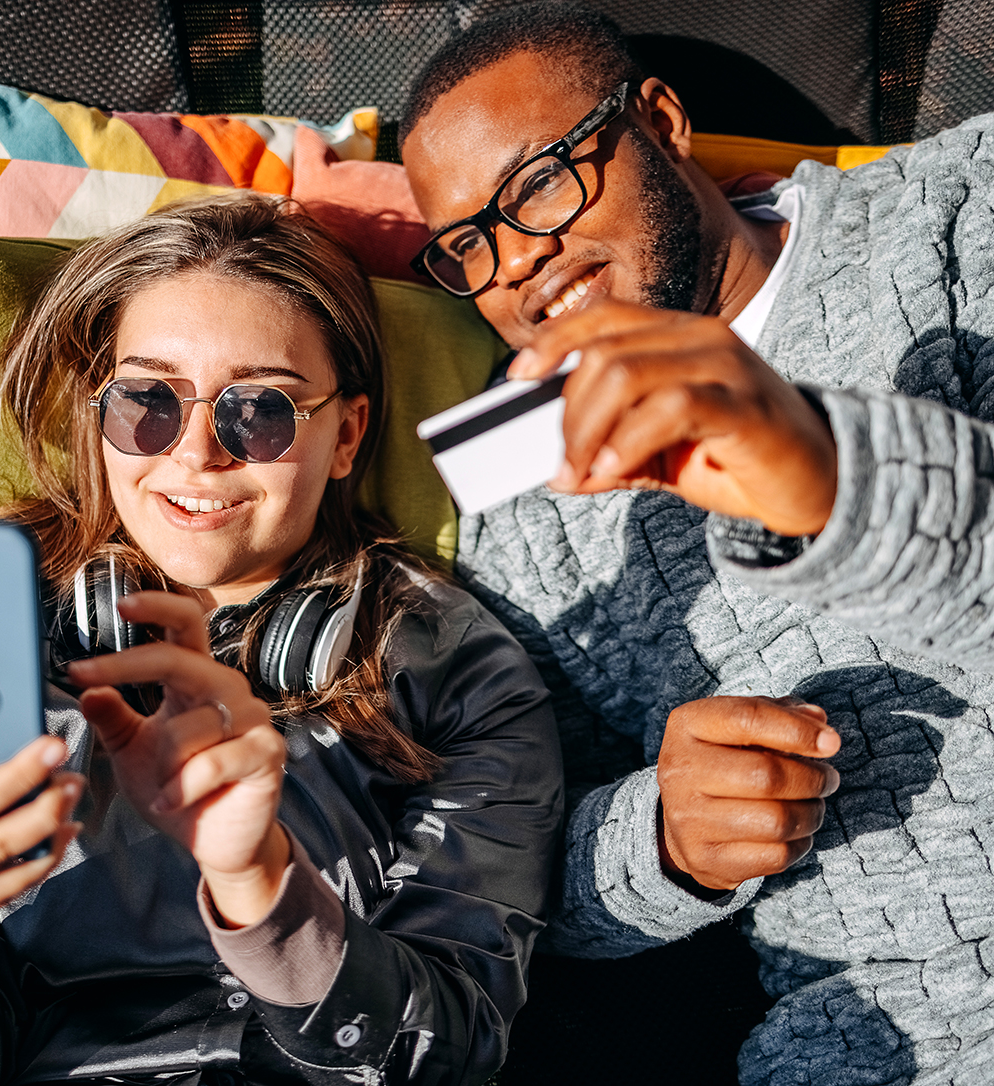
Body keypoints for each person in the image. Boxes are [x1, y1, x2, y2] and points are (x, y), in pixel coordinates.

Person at [398, 4, 994, 1084]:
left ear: (661, 122)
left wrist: (831, 477)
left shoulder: (959, 212)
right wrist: (661, 841)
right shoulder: (521, 507)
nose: (520, 261)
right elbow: (525, 880)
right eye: (469, 244)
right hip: (878, 1037)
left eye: (539, 182)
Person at [0, 193, 563, 1086]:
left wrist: (261, 887)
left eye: (260, 410)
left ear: (348, 436)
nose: (197, 456)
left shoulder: (459, 670)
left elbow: (453, 1045)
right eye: (145, 400)